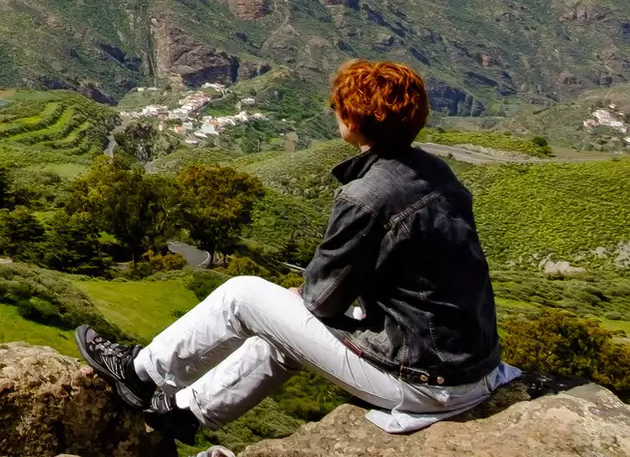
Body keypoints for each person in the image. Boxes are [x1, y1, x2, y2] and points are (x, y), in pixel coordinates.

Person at [75, 60, 508, 443]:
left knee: (242, 295)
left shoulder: (367, 195)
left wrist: (304, 298)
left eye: (339, 106)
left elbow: (322, 300)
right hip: (469, 366)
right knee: (282, 329)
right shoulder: (435, 171)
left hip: (422, 380)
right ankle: (187, 413)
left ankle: (139, 373)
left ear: (353, 119)